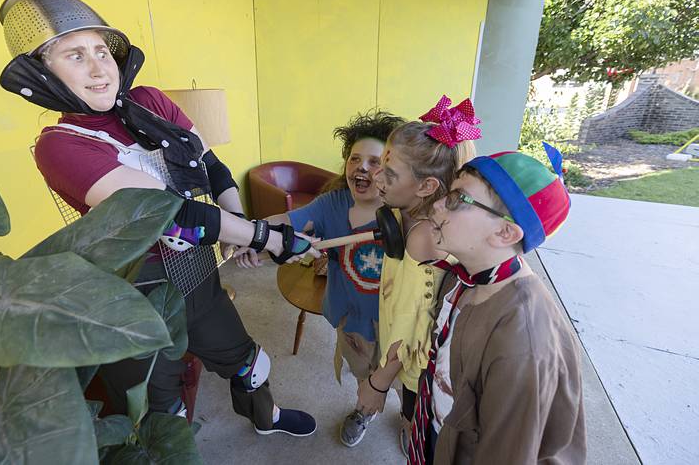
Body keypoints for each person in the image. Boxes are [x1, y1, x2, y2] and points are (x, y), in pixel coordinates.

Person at [0, 0, 318, 437]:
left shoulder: (149, 100)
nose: (98, 69)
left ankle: (267, 418)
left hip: (197, 272)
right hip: (135, 294)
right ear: (42, 73)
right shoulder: (60, 145)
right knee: (161, 410)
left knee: (249, 363)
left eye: (101, 52)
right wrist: (270, 239)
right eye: (74, 56)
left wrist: (240, 225)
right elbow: (168, 212)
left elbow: (211, 166)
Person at [236, 110, 405, 447]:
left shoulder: (405, 213)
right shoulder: (332, 204)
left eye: (375, 161)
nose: (362, 167)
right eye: (355, 158)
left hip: (397, 324)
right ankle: (365, 410)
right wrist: (252, 235)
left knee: (405, 382)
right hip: (351, 319)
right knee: (364, 376)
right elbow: (287, 219)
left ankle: (410, 419)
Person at [407, 148, 586, 464]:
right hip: (441, 433)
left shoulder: (521, 343)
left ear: (505, 233)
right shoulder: (464, 278)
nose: (436, 204)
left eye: (457, 199)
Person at [358, 96, 480, 457]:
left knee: (417, 415)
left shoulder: (423, 237)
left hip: (419, 359)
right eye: (382, 164)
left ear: (426, 187)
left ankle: (414, 435)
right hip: (403, 339)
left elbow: (412, 325)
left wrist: (377, 383)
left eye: (389, 173)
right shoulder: (405, 212)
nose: (376, 176)